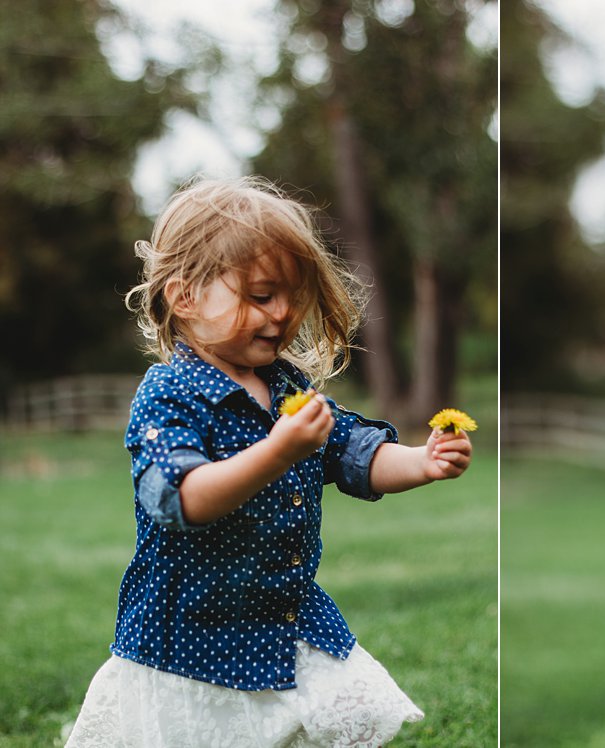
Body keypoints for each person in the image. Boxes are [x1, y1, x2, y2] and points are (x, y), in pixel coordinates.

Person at [66, 177, 473, 748]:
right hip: (189, 637)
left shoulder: (286, 385)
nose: (282, 314)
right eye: (260, 295)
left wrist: (421, 461)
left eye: (292, 296)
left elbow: (354, 453)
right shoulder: (169, 394)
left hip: (286, 618)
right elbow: (182, 498)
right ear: (186, 297)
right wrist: (278, 450)